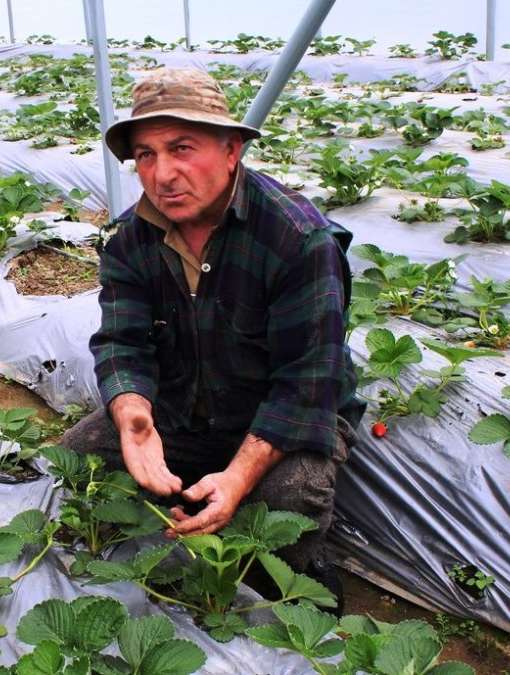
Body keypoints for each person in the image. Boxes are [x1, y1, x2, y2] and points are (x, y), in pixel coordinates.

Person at [61, 68, 365, 606]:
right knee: (81, 453)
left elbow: (304, 385)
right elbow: (121, 342)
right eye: (147, 155)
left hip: (281, 416)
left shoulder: (298, 240)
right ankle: (177, 523)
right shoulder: (129, 241)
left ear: (232, 151)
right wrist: (132, 413)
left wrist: (242, 474)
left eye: (182, 147)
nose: (162, 173)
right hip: (185, 406)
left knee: (289, 498)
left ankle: (287, 579)